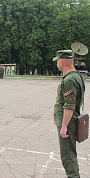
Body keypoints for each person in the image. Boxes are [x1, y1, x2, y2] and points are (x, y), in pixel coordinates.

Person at [53, 50, 85, 178]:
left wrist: (64, 126)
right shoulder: (77, 76)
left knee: (68, 156)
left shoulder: (70, 80)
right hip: (73, 120)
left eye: (57, 61)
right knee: (70, 153)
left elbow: (69, 105)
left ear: (61, 63)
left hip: (68, 122)